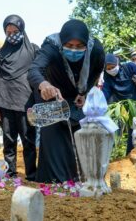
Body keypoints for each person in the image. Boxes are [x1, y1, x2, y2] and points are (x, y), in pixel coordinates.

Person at [28, 19, 105, 183]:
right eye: (69, 45)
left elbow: (97, 69)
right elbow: (34, 70)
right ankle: (52, 182)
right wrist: (44, 85)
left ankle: (77, 180)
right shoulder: (51, 46)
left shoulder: (96, 49)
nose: (74, 50)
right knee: (53, 139)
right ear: (62, 42)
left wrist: (84, 91)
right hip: (52, 95)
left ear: (86, 44)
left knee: (78, 138)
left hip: (77, 98)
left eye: (79, 46)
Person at [0, 15, 38, 180]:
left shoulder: (33, 50)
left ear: (22, 31)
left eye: (15, 31)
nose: (12, 35)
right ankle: (10, 173)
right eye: (8, 32)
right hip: (5, 102)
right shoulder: (1, 54)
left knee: (29, 141)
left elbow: (41, 74)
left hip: (27, 103)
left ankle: (32, 174)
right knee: (9, 141)